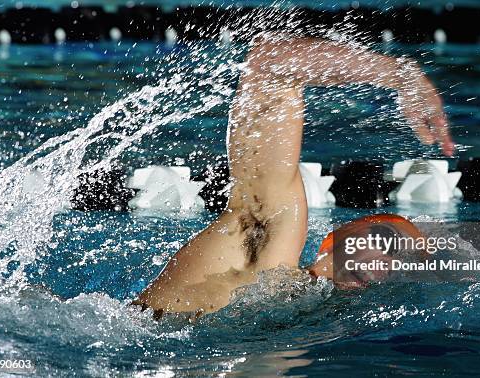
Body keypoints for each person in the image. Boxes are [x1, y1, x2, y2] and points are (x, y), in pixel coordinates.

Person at [133, 33, 454, 316]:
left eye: (400, 266)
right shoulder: (260, 246)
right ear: (338, 237)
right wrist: (401, 75)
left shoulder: (311, 326)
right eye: (385, 240)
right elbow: (269, 62)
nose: (383, 264)